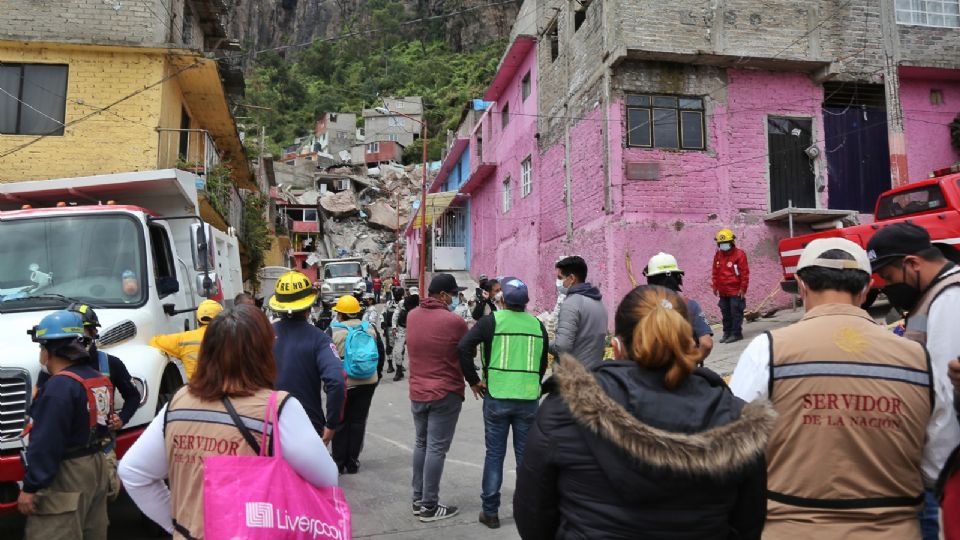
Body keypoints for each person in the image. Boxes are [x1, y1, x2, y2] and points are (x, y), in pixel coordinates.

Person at [729, 238, 949, 539]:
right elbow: (939, 465)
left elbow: (737, 449)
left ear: (801, 285)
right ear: (866, 289)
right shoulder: (920, 360)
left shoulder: (766, 350)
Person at [514, 286, 771, 539]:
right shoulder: (738, 419)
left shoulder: (564, 409)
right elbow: (748, 523)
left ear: (615, 348)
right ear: (690, 345)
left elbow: (533, 516)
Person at [119, 305, 339, 538]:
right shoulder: (279, 408)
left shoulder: (176, 403)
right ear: (264, 352)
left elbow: (133, 472)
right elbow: (327, 477)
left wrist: (178, 525)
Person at [867, 222, 960, 539]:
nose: (888, 286)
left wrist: (937, 472)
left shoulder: (950, 297)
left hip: (945, 465)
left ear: (912, 263)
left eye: (890, 278)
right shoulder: (930, 294)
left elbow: (943, 389)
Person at [458, 277, 548, 529]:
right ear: (526, 302)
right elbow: (541, 363)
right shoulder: (537, 326)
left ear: (503, 300)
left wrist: (474, 380)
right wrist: (532, 382)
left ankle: (491, 512)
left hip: (497, 396)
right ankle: (527, 511)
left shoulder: (490, 322)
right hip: (528, 400)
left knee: (495, 455)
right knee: (525, 458)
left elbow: (463, 347)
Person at [19, 310, 114, 540]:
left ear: (50, 350)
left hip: (68, 471)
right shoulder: (96, 379)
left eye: (41, 347)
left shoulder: (59, 387)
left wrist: (31, 487)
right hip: (97, 465)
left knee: (54, 531)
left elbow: (46, 442)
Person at [34, 303, 141, 502]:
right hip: (68, 449)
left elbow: (133, 396)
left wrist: (122, 419)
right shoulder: (51, 369)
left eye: (81, 331)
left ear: (93, 332)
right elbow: (40, 400)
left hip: (102, 445)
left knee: (105, 495)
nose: (77, 339)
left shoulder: (110, 364)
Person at [406, 273, 477, 522]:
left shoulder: (412, 316)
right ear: (444, 295)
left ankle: (418, 500)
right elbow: (470, 350)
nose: (456, 298)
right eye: (454, 294)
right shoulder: (454, 321)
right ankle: (429, 505)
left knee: (422, 444)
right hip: (445, 392)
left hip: (418, 391)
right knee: (436, 448)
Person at [269, 270, 346, 444]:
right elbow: (337, 381)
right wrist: (332, 424)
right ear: (309, 305)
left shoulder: (261, 336)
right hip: (308, 428)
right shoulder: (319, 339)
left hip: (267, 427)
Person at [328, 295, 386, 474]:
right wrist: (377, 375)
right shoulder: (370, 328)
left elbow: (326, 360)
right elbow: (380, 354)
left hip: (344, 383)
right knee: (358, 421)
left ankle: (338, 461)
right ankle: (352, 461)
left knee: (341, 421)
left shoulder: (332, 332)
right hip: (368, 380)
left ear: (341, 314)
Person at [643, 252, 714, 363]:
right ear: (678, 278)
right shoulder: (691, 305)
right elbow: (706, 344)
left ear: (650, 280)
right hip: (687, 374)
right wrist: (691, 364)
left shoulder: (643, 308)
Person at [552, 256, 607, 369]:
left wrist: (546, 343)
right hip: (594, 373)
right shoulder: (599, 303)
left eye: (560, 277)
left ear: (571, 278)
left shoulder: (572, 303)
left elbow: (562, 346)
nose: (558, 283)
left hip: (573, 376)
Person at [149, 299, 223, 379]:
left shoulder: (183, 339)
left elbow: (153, 341)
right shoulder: (233, 338)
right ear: (223, 319)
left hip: (197, 389)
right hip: (228, 389)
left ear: (198, 320)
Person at [712, 228, 749, 343]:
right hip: (723, 291)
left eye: (725, 243)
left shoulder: (739, 254)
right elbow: (715, 271)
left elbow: (744, 273)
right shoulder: (718, 255)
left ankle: (736, 334)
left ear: (732, 242)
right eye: (721, 243)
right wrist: (715, 286)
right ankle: (727, 333)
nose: (723, 245)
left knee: (736, 312)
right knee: (725, 313)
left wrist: (743, 288)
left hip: (735, 291)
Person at [392, 289, 419, 382]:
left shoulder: (420, 305)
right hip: (401, 329)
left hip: (414, 330)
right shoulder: (402, 303)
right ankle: (399, 371)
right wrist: (394, 326)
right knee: (398, 351)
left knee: (415, 353)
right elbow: (396, 314)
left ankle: (416, 373)